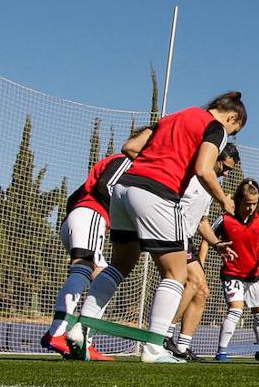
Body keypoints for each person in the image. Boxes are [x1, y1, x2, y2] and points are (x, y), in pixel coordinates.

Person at [75, 92, 246, 363]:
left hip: (124, 188)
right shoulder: (214, 128)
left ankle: (80, 331)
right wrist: (224, 199)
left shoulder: (174, 117)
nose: (230, 134)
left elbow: (130, 147)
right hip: (156, 193)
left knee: (119, 265)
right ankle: (154, 349)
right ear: (232, 117)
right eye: (234, 130)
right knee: (177, 274)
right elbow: (204, 169)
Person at [40, 149, 135, 358]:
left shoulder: (116, 163)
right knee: (83, 268)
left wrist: (74, 218)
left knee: (103, 277)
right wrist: (122, 219)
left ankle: (83, 340)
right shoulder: (126, 161)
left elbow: (75, 196)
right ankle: (57, 332)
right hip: (92, 215)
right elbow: (105, 187)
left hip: (81, 216)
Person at [164, 143, 240, 361]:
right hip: (171, 234)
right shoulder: (190, 176)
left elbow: (202, 222)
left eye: (230, 171)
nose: (226, 173)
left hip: (186, 239)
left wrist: (217, 245)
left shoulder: (210, 186)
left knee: (202, 291)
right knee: (196, 281)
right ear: (214, 157)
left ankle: (181, 346)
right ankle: (164, 334)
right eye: (224, 167)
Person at [213, 178, 259, 363]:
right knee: (235, 311)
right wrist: (204, 258)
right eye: (248, 204)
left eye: (255, 204)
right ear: (239, 200)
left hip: (254, 275)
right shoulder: (224, 219)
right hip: (232, 273)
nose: (251, 208)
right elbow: (208, 239)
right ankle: (222, 351)